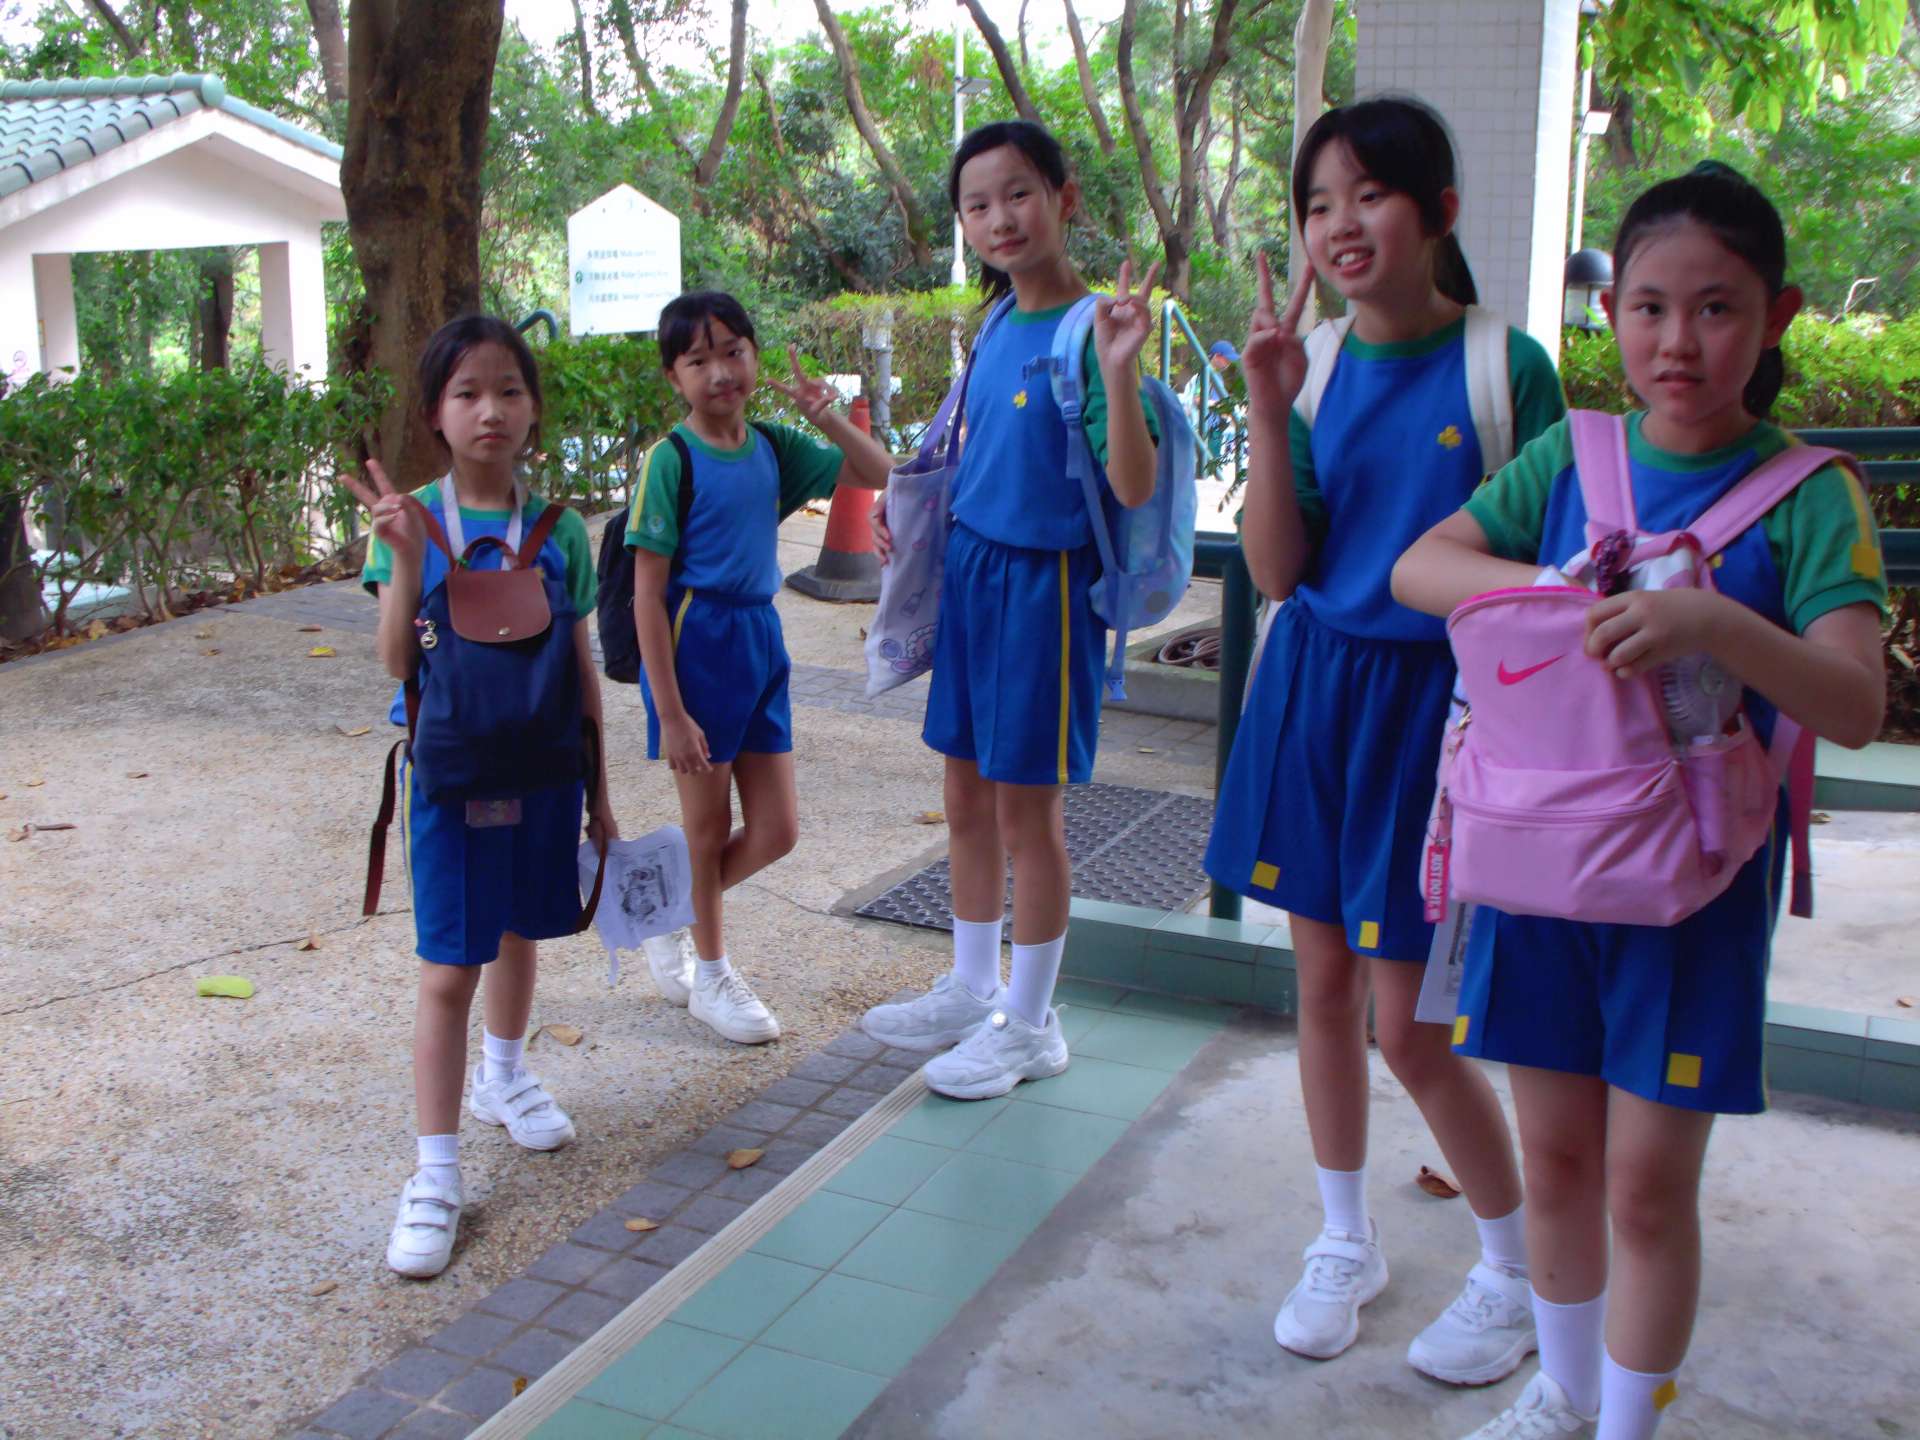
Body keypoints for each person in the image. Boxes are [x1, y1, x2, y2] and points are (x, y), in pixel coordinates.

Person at [1392, 163, 1886, 1439]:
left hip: (1692, 895)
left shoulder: (1810, 494)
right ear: (1612, 315)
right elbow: (1421, 567)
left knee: (1649, 1188)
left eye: (1716, 309)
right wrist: (1559, 595)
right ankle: (1564, 1391)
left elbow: (1855, 703)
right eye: (1651, 308)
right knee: (1558, 1157)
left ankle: (1627, 1422)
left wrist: (1710, 623)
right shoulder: (1575, 454)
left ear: (1776, 318)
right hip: (1537, 863)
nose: (1678, 342)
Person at [1203, 98, 1567, 1380]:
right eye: (1317, 203)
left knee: (1410, 1028)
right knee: (1320, 991)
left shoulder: (1506, 367)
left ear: (1441, 212)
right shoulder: (1312, 367)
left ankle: (1517, 1270)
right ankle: (1344, 1240)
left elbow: (1543, 573)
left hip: (1440, 720)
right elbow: (1277, 573)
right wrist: (1266, 408)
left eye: (1369, 194)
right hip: (1315, 696)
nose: (1339, 224)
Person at [860, 119, 1161, 1098]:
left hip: (1047, 590)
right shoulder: (993, 327)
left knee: (1030, 813)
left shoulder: (1091, 330)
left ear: (1064, 198)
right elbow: (969, 454)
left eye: (1019, 193)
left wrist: (1122, 370)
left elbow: (1132, 485)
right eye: (977, 204)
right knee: (965, 797)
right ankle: (972, 985)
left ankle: (1030, 1025)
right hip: (975, 577)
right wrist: (908, 515)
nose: (1000, 218)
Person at [349, 315, 616, 1280]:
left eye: (508, 390)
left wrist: (600, 794)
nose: (489, 410)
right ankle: (434, 1173)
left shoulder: (562, 531)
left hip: (543, 772)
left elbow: (581, 668)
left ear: (533, 408)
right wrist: (404, 559)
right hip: (451, 776)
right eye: (466, 393)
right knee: (447, 969)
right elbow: (394, 662)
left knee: (518, 931)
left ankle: (504, 1077)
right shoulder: (409, 520)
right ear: (435, 413)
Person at [626, 291, 895, 1045]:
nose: (720, 372)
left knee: (777, 830)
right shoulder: (671, 460)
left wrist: (825, 416)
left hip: (760, 638)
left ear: (754, 355)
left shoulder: (773, 445)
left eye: (733, 352)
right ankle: (711, 976)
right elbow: (646, 595)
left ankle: (669, 914)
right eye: (698, 360)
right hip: (697, 640)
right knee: (707, 826)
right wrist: (671, 712)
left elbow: (880, 471)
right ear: (674, 376)